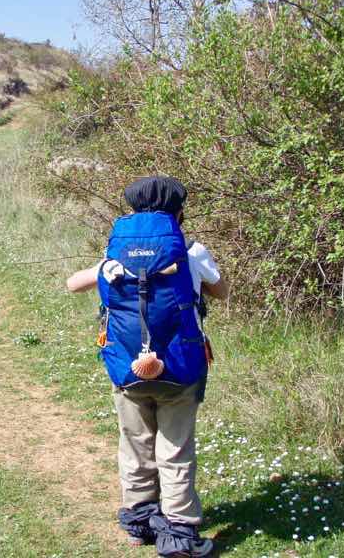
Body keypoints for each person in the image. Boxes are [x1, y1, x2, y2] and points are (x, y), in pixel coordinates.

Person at [66, 176, 229, 558]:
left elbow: (74, 284)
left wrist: (109, 269)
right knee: (174, 448)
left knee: (135, 442)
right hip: (181, 367)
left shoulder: (115, 255)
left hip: (127, 369)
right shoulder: (190, 250)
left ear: (132, 210)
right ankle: (178, 534)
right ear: (180, 212)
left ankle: (140, 520)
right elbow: (222, 291)